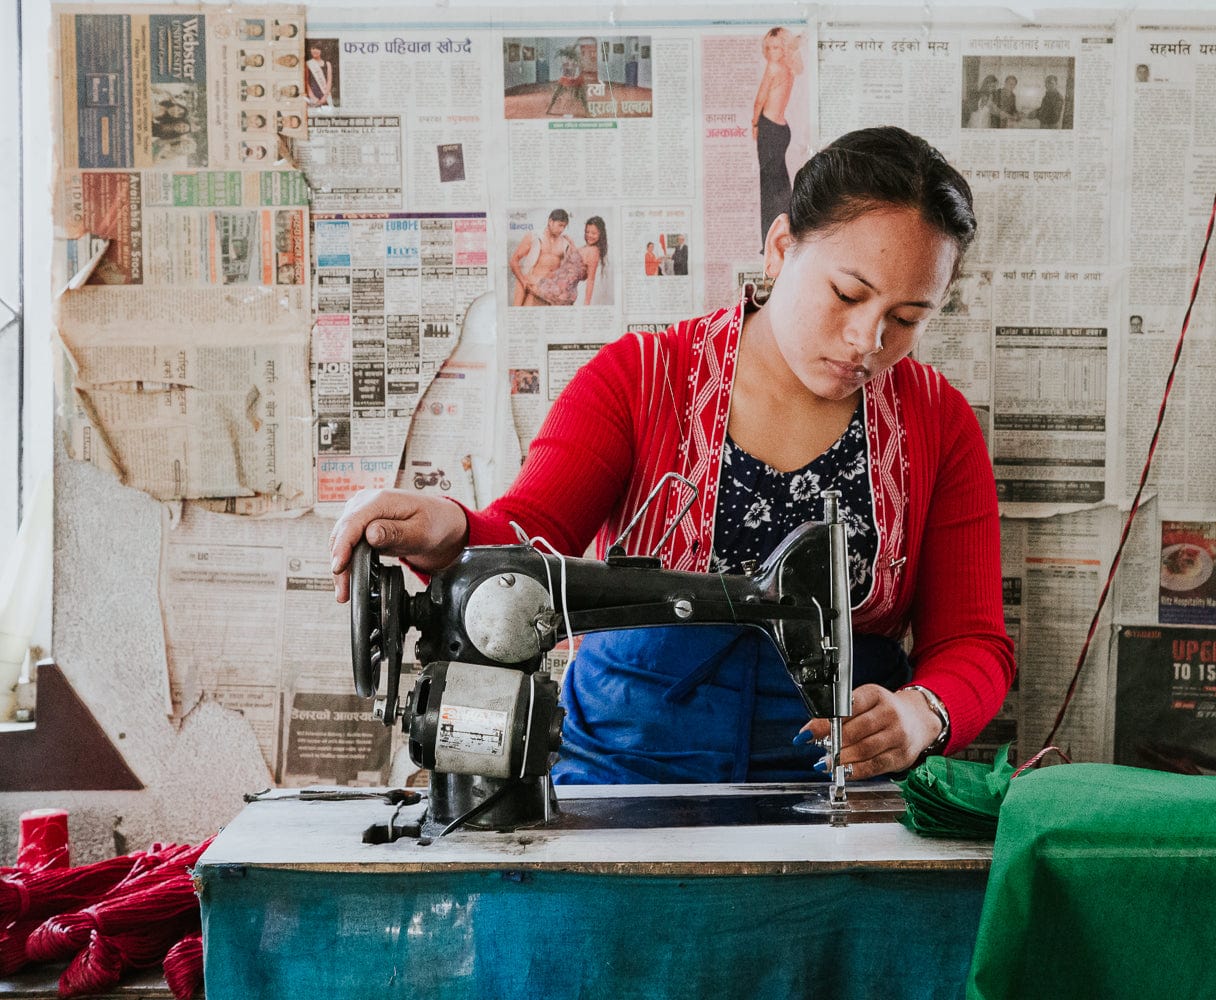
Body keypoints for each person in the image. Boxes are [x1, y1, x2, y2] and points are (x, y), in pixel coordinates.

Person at [330, 126, 1015, 785]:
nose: (869, 338)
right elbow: (526, 543)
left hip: (837, 772)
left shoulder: (937, 424)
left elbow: (973, 643)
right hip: (623, 768)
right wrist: (448, 526)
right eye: (847, 294)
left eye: (907, 319)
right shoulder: (639, 378)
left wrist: (923, 713)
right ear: (780, 249)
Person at [752, 27, 803, 245]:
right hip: (782, 130)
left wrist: (755, 123)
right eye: (769, 48)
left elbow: (759, 100)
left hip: (770, 129)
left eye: (776, 47)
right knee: (781, 185)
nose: (772, 52)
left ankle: (769, 241)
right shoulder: (789, 68)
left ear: (783, 49)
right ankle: (789, 234)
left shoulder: (773, 68)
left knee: (769, 187)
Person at [510, 209, 577, 306]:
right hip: (534, 288)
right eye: (560, 225)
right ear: (550, 221)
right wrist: (523, 281)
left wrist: (572, 244)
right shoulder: (534, 236)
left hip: (552, 293)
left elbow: (575, 267)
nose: (562, 229)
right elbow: (514, 260)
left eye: (564, 226)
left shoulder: (565, 243)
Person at [578, 216, 608, 305]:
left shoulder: (594, 251)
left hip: (562, 292)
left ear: (600, 234)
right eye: (587, 232)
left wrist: (586, 303)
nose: (589, 235)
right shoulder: (587, 247)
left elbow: (591, 280)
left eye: (594, 233)